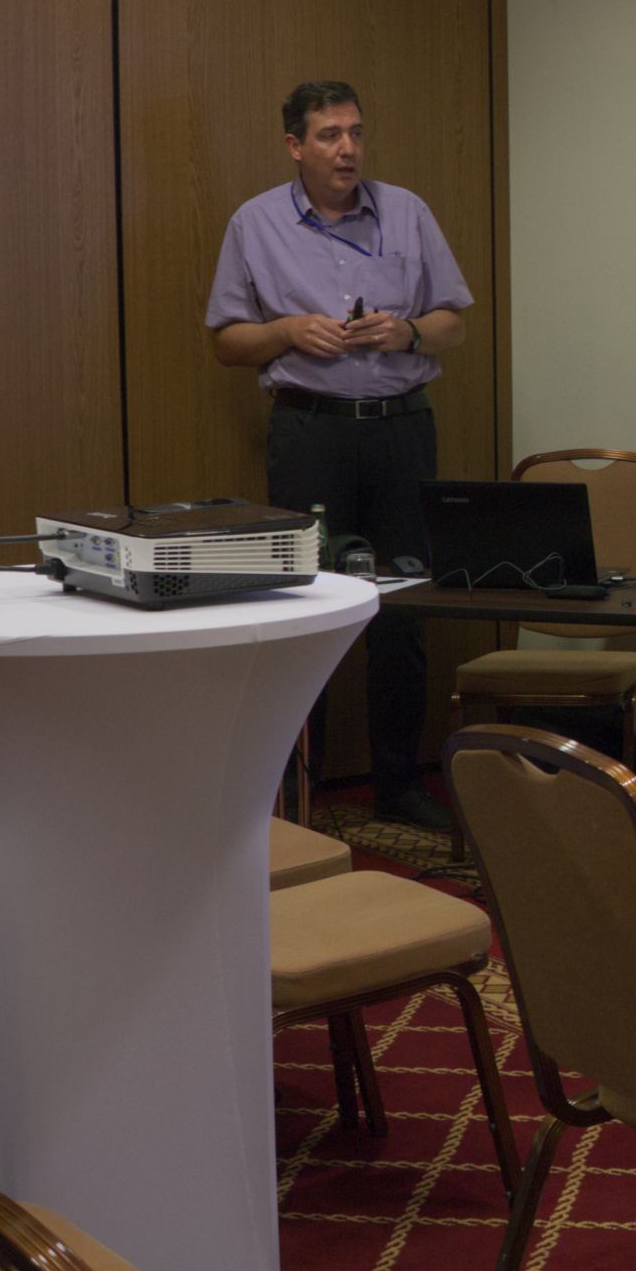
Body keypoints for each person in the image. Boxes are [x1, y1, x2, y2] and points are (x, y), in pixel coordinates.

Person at [205, 81, 472, 831]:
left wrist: (407, 332)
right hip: (311, 433)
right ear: (295, 146)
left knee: (403, 607)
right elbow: (225, 341)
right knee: (306, 606)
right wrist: (287, 331)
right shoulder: (254, 223)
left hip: (400, 431)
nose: (347, 149)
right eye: (329, 135)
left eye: (355, 132)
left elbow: (454, 322)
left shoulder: (407, 211)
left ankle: (400, 785)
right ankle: (299, 793)